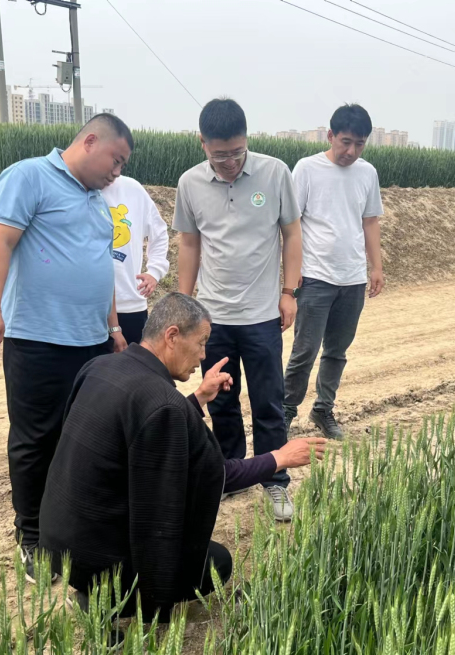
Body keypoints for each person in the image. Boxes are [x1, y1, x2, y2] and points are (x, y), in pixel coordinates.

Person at [39, 293, 326, 621]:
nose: (203, 355)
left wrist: (199, 398)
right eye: (201, 343)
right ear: (172, 336)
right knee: (216, 564)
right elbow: (212, 474)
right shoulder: (162, 403)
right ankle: (107, 600)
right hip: (101, 559)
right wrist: (278, 458)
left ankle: (93, 587)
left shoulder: (100, 366)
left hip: (60, 542)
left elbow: (146, 428)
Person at [0, 113, 133, 581]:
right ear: (89, 141)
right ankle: (33, 536)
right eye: (115, 160)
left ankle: (73, 524)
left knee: (83, 438)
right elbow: (0, 244)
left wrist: (114, 327)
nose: (116, 172)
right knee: (35, 441)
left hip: (91, 341)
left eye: (122, 166)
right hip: (39, 339)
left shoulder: (98, 200)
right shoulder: (29, 177)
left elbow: (101, 267)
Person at [173, 98, 304, 522]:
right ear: (202, 144)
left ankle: (275, 480)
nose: (229, 162)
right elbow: (189, 244)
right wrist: (185, 303)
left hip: (262, 316)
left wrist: (289, 291)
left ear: (247, 140)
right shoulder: (190, 183)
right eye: (219, 155)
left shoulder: (275, 173)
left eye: (237, 152)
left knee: (268, 402)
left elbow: (292, 234)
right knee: (222, 403)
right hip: (213, 318)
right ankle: (230, 475)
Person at [283, 104, 385, 440]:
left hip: (352, 279)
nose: (351, 151)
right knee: (304, 352)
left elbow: (370, 221)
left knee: (336, 352)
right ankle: (285, 412)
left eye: (359, 144)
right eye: (345, 142)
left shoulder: (367, 173)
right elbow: (292, 223)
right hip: (315, 277)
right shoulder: (307, 169)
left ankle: (323, 409)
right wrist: (292, 272)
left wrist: (376, 267)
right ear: (330, 136)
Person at [99, 174, 170, 348]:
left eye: (120, 163)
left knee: (131, 364)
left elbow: (159, 232)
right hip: (87, 308)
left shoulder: (132, 189)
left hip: (129, 304)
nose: (115, 170)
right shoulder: (76, 189)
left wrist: (155, 271)